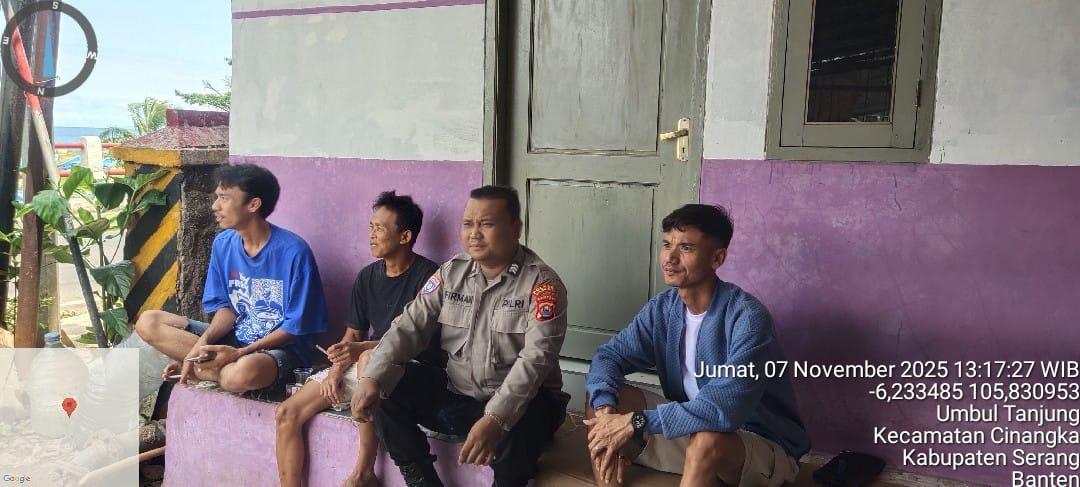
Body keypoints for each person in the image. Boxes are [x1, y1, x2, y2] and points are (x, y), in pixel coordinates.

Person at [351, 185, 570, 487]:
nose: (474, 234)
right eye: (468, 224)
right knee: (384, 387)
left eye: (486, 224)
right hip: (460, 395)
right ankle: (423, 482)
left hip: (524, 403)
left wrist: (495, 419)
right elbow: (408, 326)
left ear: (515, 228)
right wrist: (371, 378)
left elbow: (536, 362)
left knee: (521, 427)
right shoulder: (452, 273)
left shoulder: (541, 284)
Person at [583, 204, 810, 487]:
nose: (670, 257)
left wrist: (635, 422)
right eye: (667, 244)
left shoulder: (748, 318)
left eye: (686, 248)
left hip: (759, 447)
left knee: (706, 439)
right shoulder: (662, 309)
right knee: (601, 398)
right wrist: (606, 414)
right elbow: (608, 357)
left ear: (717, 258)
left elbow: (722, 410)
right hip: (696, 433)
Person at [275, 191, 443, 487]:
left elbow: (418, 340)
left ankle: (364, 471)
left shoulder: (429, 277)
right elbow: (353, 334)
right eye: (370, 227)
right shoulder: (367, 277)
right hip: (366, 363)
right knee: (286, 413)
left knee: (367, 358)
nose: (371, 235)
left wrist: (360, 350)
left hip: (409, 368)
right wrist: (336, 369)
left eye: (380, 228)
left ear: (405, 236)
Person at [135, 163, 328, 395]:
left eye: (224, 198)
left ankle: (209, 371)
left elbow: (296, 328)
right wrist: (199, 347)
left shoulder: (294, 252)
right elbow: (227, 309)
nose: (215, 206)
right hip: (235, 338)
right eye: (217, 197)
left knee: (241, 373)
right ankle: (210, 368)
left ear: (253, 204)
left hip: (280, 350)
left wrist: (239, 353)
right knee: (148, 322)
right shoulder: (223, 244)